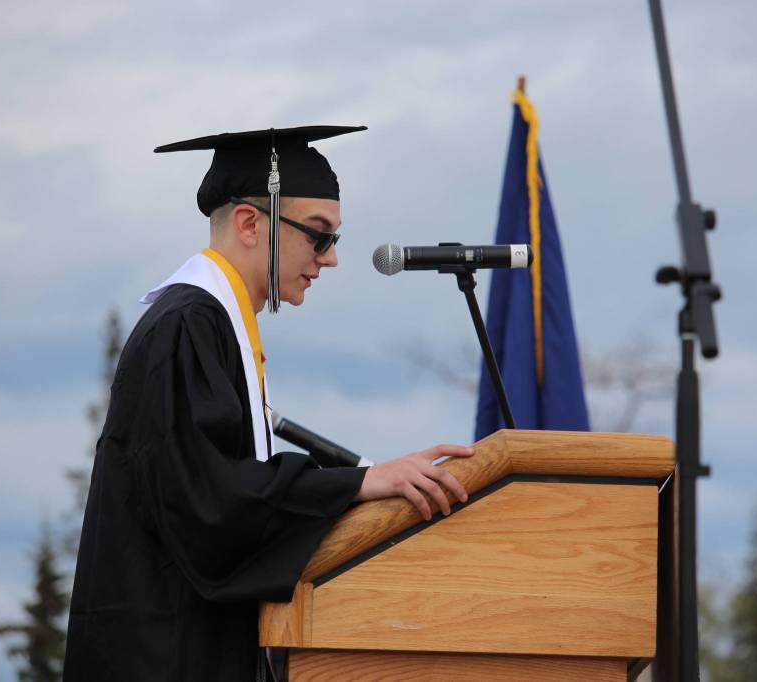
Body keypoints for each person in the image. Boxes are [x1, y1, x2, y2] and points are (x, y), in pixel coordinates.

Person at [63, 125, 474, 681]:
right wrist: (358, 484)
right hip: (166, 656)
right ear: (250, 223)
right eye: (318, 235)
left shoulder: (215, 325)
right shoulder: (188, 326)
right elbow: (210, 502)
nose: (329, 259)